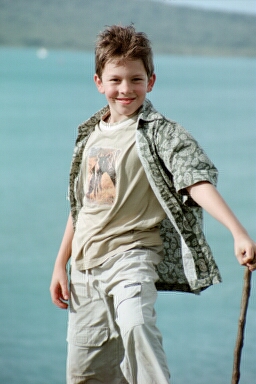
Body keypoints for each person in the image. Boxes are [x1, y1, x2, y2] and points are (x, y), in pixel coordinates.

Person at [50, 25, 256, 384]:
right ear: (99, 81)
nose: (126, 89)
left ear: (152, 80)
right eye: (116, 80)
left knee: (137, 325)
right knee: (86, 375)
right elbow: (81, 207)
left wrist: (237, 232)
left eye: (136, 79)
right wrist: (60, 263)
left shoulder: (160, 133)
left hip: (132, 255)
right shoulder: (89, 135)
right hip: (85, 269)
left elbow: (193, 179)